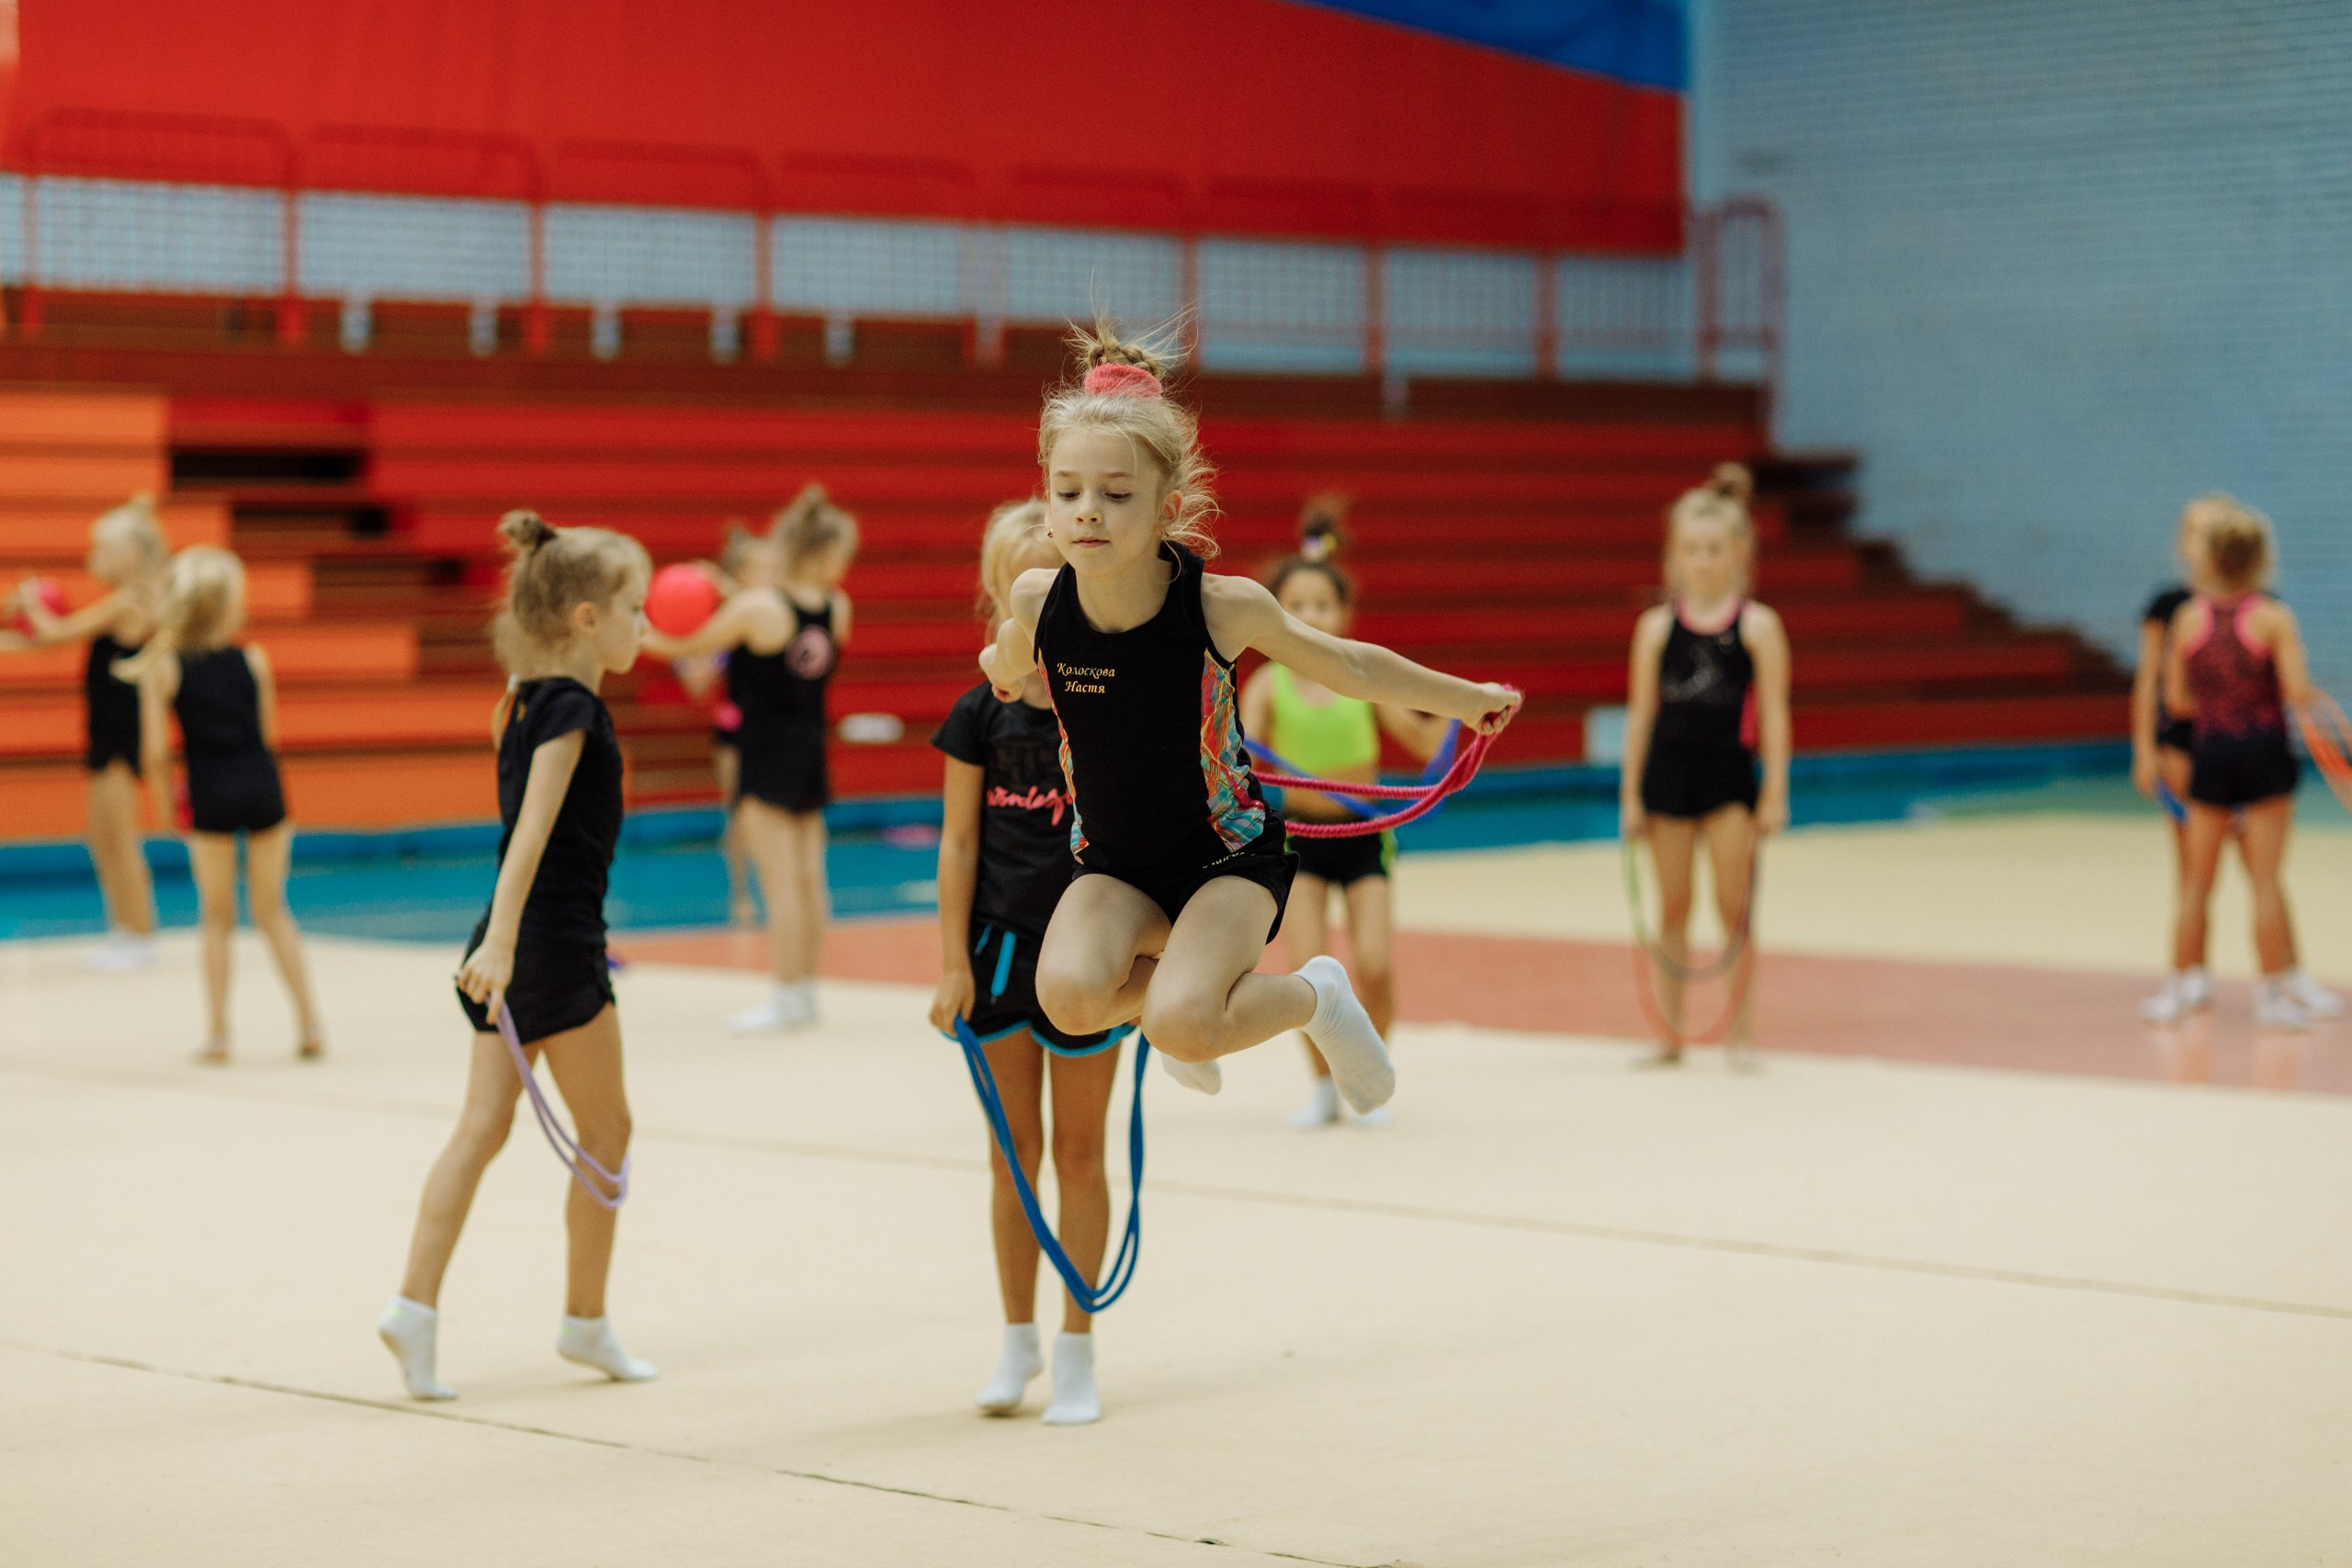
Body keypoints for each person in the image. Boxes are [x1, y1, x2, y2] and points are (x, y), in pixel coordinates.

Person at [977, 321, 1518, 1119]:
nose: (1088, 512)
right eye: (1068, 492)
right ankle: (1187, 1002)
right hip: (1115, 864)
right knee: (1068, 997)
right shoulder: (1038, 599)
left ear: (1168, 507)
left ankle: (1315, 996)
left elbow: (1350, 665)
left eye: (1117, 495)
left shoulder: (1218, 607)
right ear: (1048, 501)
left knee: (1184, 1025)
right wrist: (1001, 668)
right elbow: (1010, 653)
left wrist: (1466, 699)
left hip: (1223, 859)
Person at [379, 510, 656, 1401]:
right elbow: (529, 834)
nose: (646, 625)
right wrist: (502, 944)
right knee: (608, 1134)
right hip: (549, 947)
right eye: (636, 609)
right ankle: (586, 1319)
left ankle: (413, 1309)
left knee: (481, 1127)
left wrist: (500, 942)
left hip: (517, 944)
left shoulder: (524, 696)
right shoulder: (570, 710)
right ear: (586, 618)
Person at [930, 499, 1132, 1426]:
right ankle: (1016, 1339)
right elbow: (958, 844)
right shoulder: (979, 715)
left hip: (1089, 961)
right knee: (1013, 1157)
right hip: (1000, 956)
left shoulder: (1110, 700)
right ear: (995, 597)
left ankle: (1077, 1346)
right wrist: (951, 965)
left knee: (1081, 1154)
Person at [1238, 501, 1450, 1129]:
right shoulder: (1266, 684)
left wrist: (1461, 715)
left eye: (1322, 605)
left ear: (1344, 614)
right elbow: (1237, 754)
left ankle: (1366, 1073)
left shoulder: (1362, 678)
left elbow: (1422, 741)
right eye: (1296, 606)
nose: (1310, 616)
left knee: (1375, 968)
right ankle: (1323, 1086)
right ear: (1277, 617)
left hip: (1364, 837)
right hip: (1300, 841)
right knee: (1306, 973)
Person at [645, 485, 856, 1032]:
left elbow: (686, 647)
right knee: (810, 879)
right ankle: (805, 994)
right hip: (810, 750)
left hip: (764, 753)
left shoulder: (759, 609)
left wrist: (634, 630)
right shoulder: (837, 608)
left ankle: (785, 998)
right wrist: (729, 590)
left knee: (780, 883)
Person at [118, 546, 323, 1063]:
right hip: (261, 785)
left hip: (209, 791)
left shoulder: (164, 666)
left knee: (216, 917)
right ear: (230, 606)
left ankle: (219, 1035)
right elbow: (268, 735)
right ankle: (309, 1024)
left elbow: (154, 753)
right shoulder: (253, 659)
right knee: (272, 910)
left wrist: (168, 808)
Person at [2137, 496, 2338, 1024]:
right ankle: (2272, 997)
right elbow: (2295, 692)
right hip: (2265, 753)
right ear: (2261, 560)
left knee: (2196, 882)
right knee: (2266, 880)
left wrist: (2217, 700)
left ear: (2206, 559)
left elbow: (2176, 700)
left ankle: (2175, 990)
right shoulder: (2272, 617)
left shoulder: (2187, 619)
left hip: (2212, 754)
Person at [1616, 466, 1792, 1065]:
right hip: (1667, 775)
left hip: (1728, 779)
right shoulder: (1654, 628)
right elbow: (1641, 716)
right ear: (1674, 555)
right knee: (1672, 908)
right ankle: (1669, 1036)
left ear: (1738, 552)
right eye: (1692, 549)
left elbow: (1774, 715)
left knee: (1732, 908)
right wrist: (1630, 796)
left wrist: (1775, 792)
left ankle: (1740, 1035)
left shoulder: (1759, 627)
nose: (1703, 560)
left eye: (1715, 549)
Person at [1, 495, 168, 969]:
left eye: (101, 550)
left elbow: (55, 633)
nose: (92, 558)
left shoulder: (129, 601)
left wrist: (30, 602)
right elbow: (43, 642)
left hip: (121, 731)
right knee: (98, 834)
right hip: (103, 726)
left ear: (129, 555)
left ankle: (142, 934)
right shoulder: (119, 600)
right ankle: (124, 929)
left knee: (120, 834)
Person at [672, 524, 767, 929]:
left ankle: (773, 891)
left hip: (779, 729)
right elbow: (697, 681)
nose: (768, 574)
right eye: (759, 568)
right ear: (741, 573)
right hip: (737, 731)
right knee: (740, 813)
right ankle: (742, 895)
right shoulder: (729, 620)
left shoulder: (776, 610)